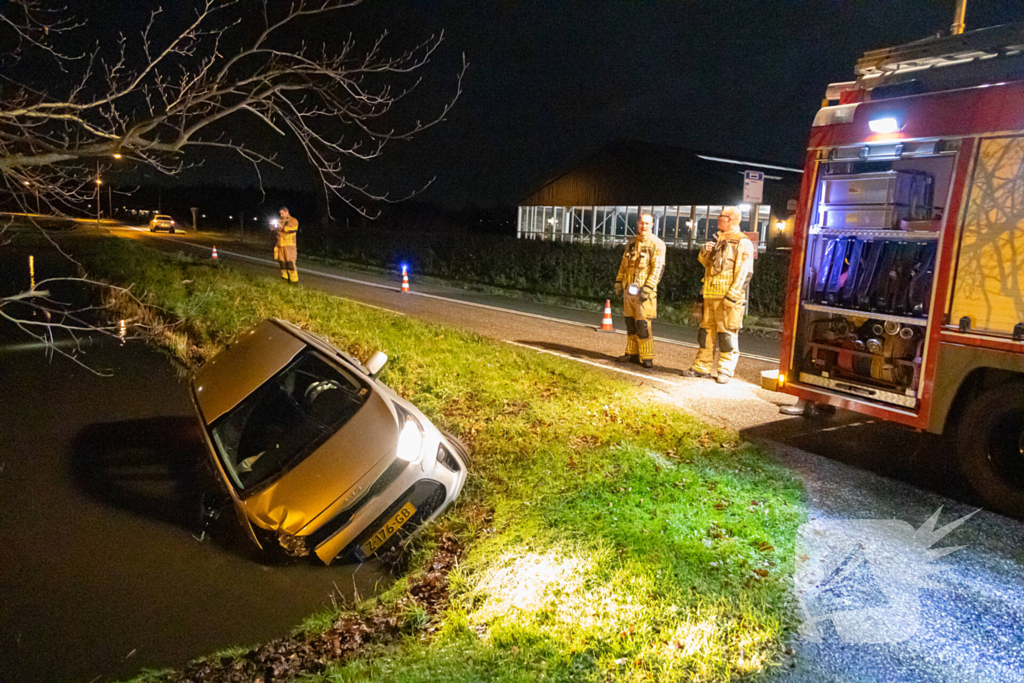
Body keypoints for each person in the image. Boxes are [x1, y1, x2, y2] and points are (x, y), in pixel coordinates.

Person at [681, 206, 754, 384]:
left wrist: (732, 296)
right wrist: (705, 251)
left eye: (721, 216)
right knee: (706, 332)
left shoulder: (742, 242)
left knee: (727, 334)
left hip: (728, 299)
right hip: (710, 296)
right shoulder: (718, 239)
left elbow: (744, 272)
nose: (718, 218)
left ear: (730, 219)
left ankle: (726, 369)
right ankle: (702, 367)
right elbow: (706, 264)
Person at [614, 213, 666, 368]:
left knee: (643, 325)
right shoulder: (631, 243)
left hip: (644, 293)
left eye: (647, 223)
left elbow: (657, 269)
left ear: (652, 225)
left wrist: (648, 288)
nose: (644, 226)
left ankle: (646, 356)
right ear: (637, 224)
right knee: (630, 324)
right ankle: (631, 353)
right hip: (629, 291)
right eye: (641, 223)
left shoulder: (657, 244)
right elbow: (624, 265)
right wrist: (619, 281)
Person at [274, 207, 299, 283]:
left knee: (290, 264)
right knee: (282, 264)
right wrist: (273, 226)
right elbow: (276, 232)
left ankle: (294, 282)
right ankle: (284, 280)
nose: (281, 215)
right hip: (280, 245)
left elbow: (294, 228)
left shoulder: (293, 220)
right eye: (280, 213)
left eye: (282, 213)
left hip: (289, 246)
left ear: (287, 212)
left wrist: (283, 227)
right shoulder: (279, 220)